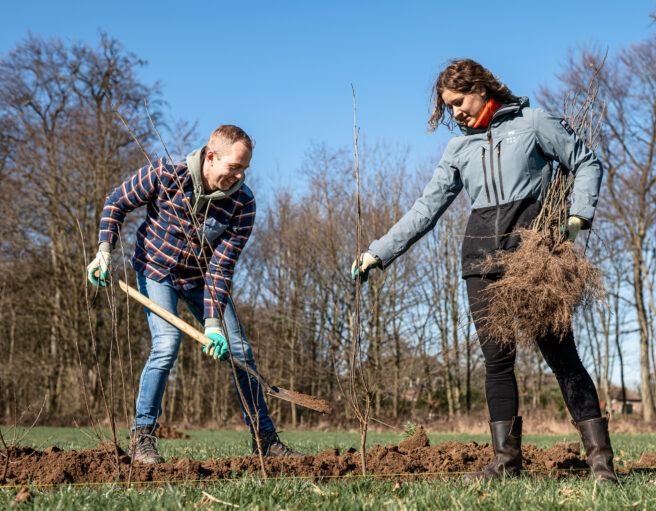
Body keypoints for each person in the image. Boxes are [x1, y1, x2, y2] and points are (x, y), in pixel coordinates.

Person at [351, 59, 617, 484]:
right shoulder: (458, 150)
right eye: (448, 107)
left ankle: (601, 464)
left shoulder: (532, 123)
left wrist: (577, 218)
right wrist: (378, 252)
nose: (455, 113)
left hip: (531, 258)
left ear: (480, 88)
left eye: (458, 102)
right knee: (497, 362)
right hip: (479, 261)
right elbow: (426, 209)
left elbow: (586, 161)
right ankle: (506, 463)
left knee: (561, 356)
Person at [87, 125, 302, 463]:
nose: (240, 175)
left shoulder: (243, 204)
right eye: (234, 166)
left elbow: (221, 267)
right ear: (211, 156)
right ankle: (142, 436)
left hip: (202, 278)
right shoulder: (165, 173)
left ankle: (266, 441)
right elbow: (117, 202)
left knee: (240, 349)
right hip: (156, 269)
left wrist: (213, 322)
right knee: (167, 344)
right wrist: (104, 250)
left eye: (245, 168)